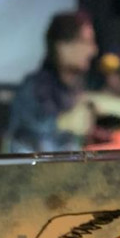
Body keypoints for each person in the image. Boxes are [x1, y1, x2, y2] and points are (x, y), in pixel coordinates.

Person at [5, 11, 98, 154]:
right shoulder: (33, 87)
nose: (93, 50)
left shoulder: (75, 87)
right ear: (62, 47)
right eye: (86, 42)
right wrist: (66, 121)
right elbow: (31, 125)